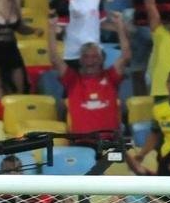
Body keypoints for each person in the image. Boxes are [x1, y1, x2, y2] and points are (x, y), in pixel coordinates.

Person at [47, 12, 131, 142]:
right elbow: (54, 58)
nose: (90, 61)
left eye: (94, 56)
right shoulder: (72, 80)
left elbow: (125, 56)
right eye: (86, 57)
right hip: (81, 144)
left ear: (102, 59)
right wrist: (51, 29)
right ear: (80, 60)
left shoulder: (111, 77)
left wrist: (120, 26)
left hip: (110, 142)